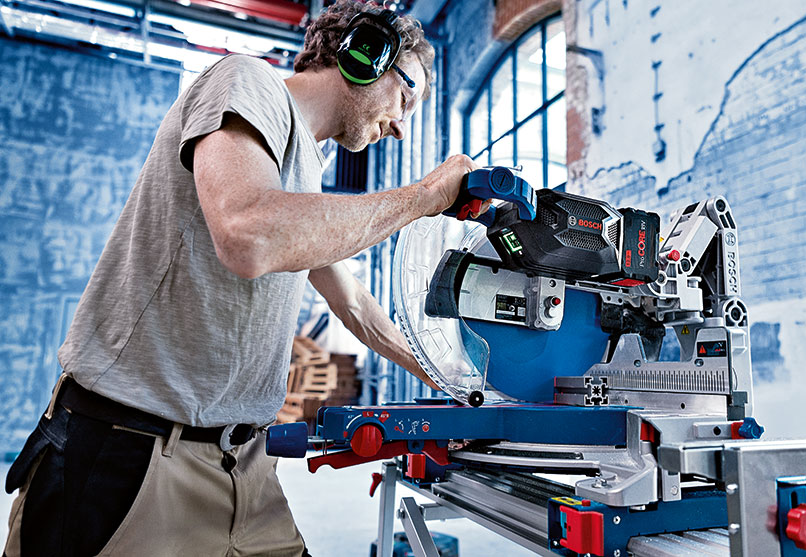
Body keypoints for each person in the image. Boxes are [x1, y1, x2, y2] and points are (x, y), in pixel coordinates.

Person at [3, 1, 480, 555]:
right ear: (365, 56)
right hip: (132, 457)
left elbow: (355, 306)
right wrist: (423, 198)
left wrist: (456, 387)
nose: (401, 126)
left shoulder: (305, 173)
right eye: (406, 96)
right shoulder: (246, 82)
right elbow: (250, 235)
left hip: (244, 469)